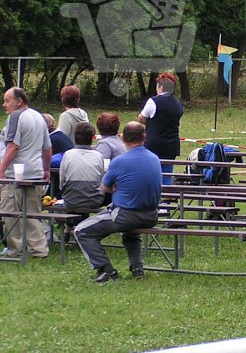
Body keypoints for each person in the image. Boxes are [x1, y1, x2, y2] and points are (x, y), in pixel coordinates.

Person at [74, 122, 161, 282]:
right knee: (130, 234)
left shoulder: (120, 161)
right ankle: (137, 268)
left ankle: (106, 270)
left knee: (81, 231)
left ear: (123, 138)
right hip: (151, 215)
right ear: (144, 137)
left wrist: (117, 186)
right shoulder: (155, 158)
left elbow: (104, 188)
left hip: (126, 215)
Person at [0, 88, 51, 258]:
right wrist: (46, 169)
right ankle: (39, 250)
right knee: (32, 214)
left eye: (7, 101)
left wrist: (1, 170)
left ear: (19, 101)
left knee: (9, 212)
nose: (4, 105)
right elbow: (47, 148)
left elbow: (13, 146)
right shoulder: (38, 116)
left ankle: (16, 250)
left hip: (16, 173)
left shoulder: (15, 117)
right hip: (35, 172)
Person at [138, 72, 184, 184]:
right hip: (171, 145)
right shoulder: (178, 104)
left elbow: (141, 118)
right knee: (167, 176)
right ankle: (166, 199)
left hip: (154, 143)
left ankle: (152, 199)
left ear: (161, 87)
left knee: (150, 174)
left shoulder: (153, 101)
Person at [59, 122, 104, 213]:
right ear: (92, 137)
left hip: (71, 201)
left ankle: (71, 225)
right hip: (94, 201)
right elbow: (101, 180)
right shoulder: (98, 156)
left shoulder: (68, 155)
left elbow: (62, 181)